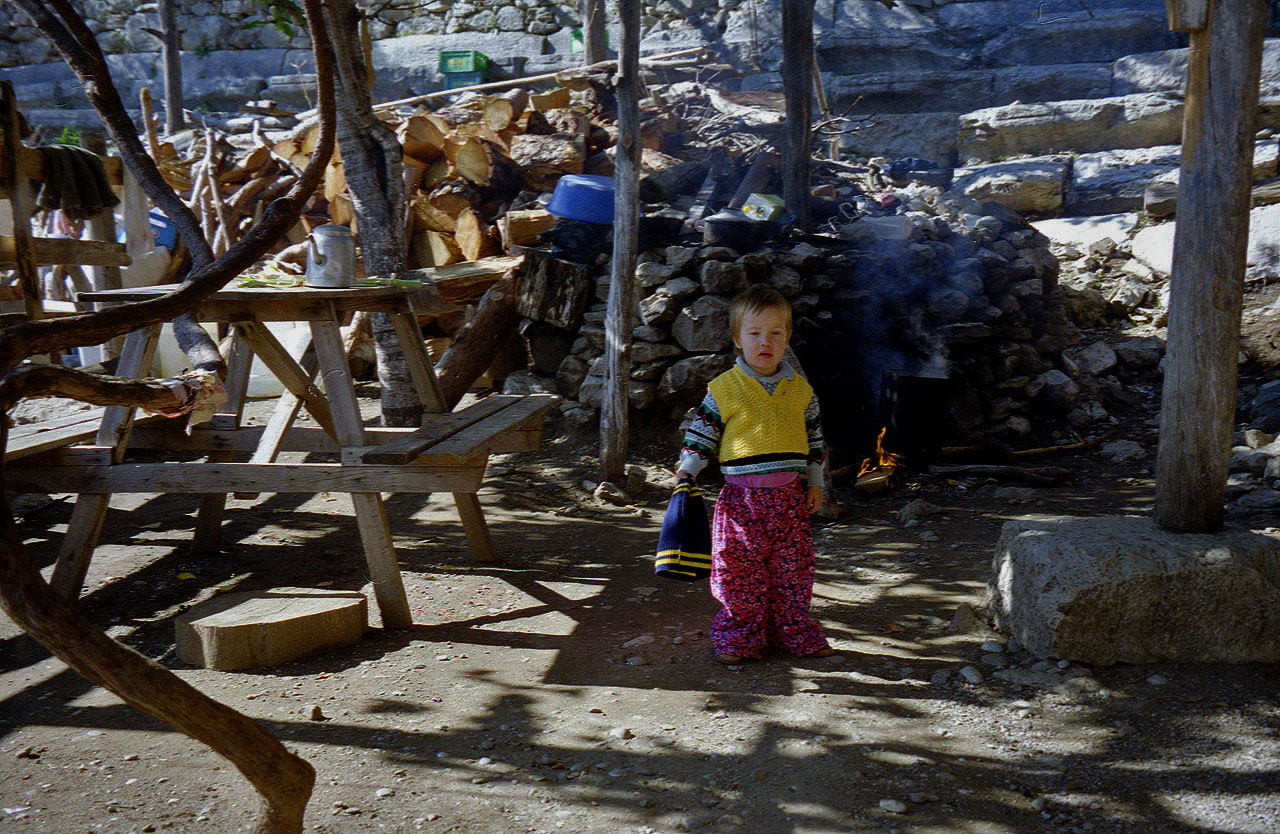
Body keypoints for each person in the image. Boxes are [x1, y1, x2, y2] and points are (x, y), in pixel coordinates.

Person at [675, 285, 834, 664]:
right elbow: (702, 433)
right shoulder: (725, 389)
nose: (766, 341)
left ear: (787, 337)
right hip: (741, 503)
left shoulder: (801, 391)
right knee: (739, 574)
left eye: (776, 333)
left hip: (789, 501)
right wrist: (687, 471)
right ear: (737, 338)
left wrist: (815, 483)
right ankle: (738, 638)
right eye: (755, 333)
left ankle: (792, 633)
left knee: (792, 573)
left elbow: (814, 440)